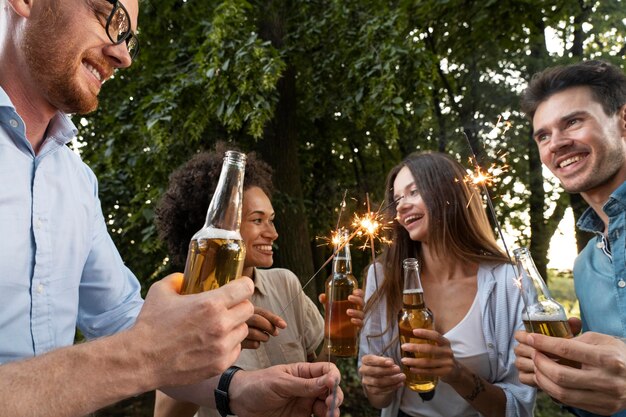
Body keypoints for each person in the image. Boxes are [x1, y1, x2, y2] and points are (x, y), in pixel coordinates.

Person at [0, 1, 343, 416]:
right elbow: (146, 344)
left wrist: (239, 388)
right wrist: (143, 355)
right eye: (109, 16)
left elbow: (122, 316)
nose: (123, 55)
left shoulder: (76, 181)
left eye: (129, 38)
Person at [152, 148, 364, 417]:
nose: (273, 233)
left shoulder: (286, 283)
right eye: (257, 220)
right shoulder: (183, 304)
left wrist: (338, 333)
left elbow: (316, 372)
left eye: (272, 220)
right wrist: (206, 353)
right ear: (219, 223)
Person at [358, 152, 535, 417]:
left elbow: (518, 407)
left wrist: (455, 372)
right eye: (396, 200)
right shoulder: (382, 277)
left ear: (449, 193)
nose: (402, 206)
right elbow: (379, 400)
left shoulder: (509, 281)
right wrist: (377, 385)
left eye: (414, 192)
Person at [514, 60, 626, 417]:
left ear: (624, 120)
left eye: (573, 122)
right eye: (543, 136)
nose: (556, 144)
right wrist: (566, 377)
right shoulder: (586, 265)